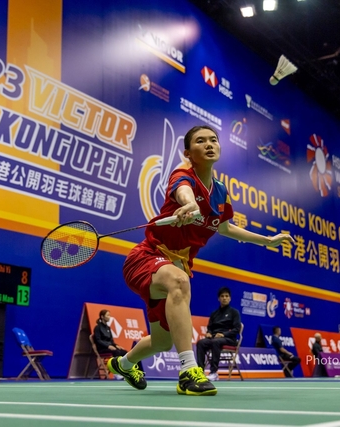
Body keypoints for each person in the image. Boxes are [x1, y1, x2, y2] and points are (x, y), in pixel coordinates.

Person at [107, 125, 294, 396]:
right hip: (147, 258)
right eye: (200, 141)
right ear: (188, 153)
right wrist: (190, 204)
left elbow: (226, 228)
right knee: (180, 282)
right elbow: (183, 191)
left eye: (213, 140)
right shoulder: (183, 175)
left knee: (162, 342)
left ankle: (123, 364)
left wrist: (267, 240)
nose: (209, 144)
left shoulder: (220, 192)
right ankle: (188, 371)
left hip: (174, 266)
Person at [196, 287, 241, 381]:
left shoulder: (234, 313)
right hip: (214, 338)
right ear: (219, 299)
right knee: (201, 343)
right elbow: (210, 327)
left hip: (229, 339)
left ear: (230, 298)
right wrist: (209, 333)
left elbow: (236, 329)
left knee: (215, 342)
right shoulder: (214, 313)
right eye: (222, 296)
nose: (224, 298)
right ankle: (200, 371)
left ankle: (213, 372)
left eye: (226, 296)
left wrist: (223, 334)